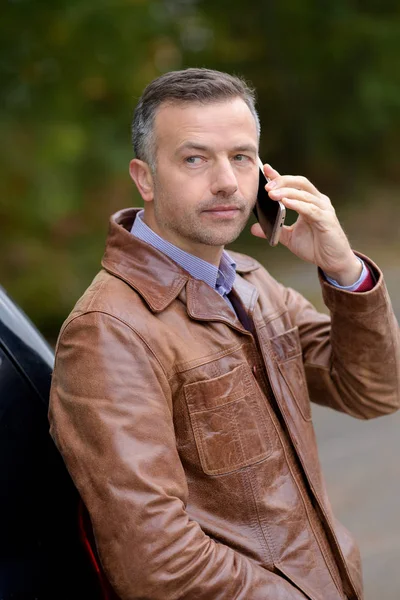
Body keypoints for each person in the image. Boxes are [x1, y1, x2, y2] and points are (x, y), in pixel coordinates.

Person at [49, 68, 399, 600]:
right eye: (195, 158)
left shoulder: (250, 280)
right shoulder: (109, 332)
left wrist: (344, 269)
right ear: (145, 178)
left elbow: (374, 389)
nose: (226, 182)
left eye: (240, 157)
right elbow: (157, 564)